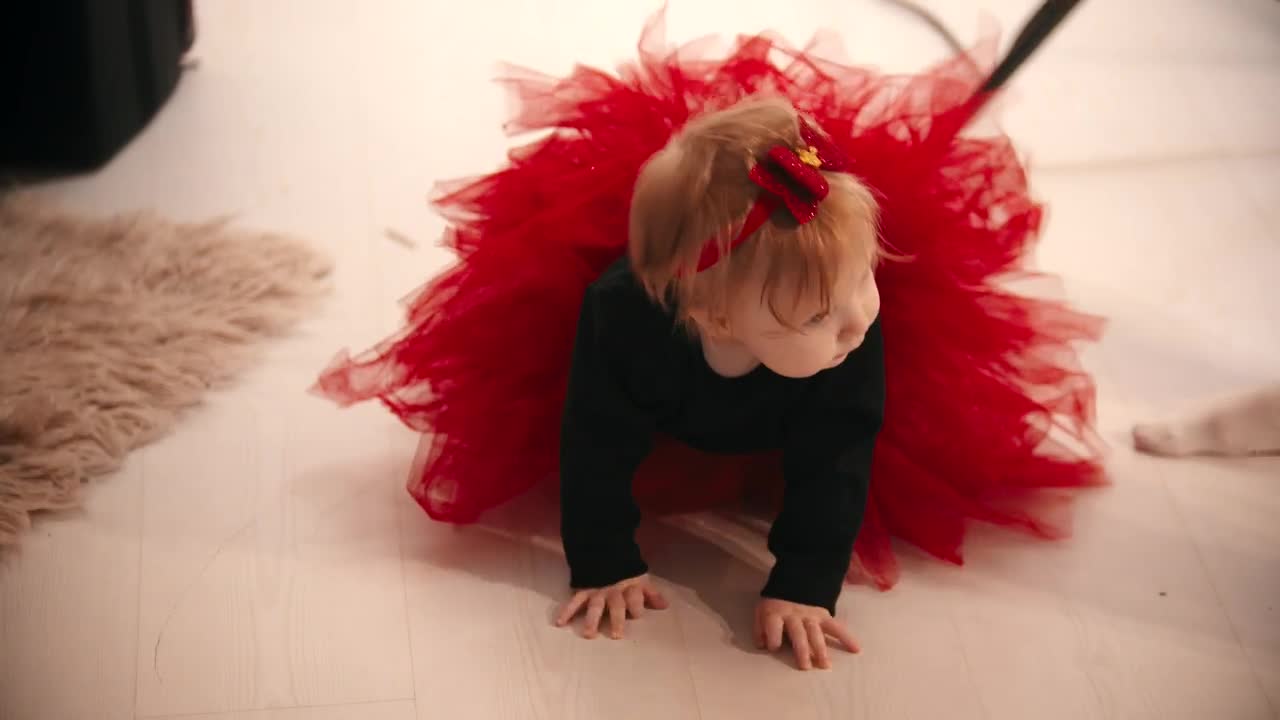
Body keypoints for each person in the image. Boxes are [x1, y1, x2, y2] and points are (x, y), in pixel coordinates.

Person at [313, 8, 1104, 671]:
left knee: (852, 416)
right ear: (716, 321)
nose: (858, 320)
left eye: (861, 281)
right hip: (674, 386)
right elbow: (596, 444)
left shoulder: (851, 333)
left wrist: (803, 580)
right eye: (819, 315)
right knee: (586, 421)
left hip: (774, 390)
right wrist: (605, 560)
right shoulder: (622, 323)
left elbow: (838, 454)